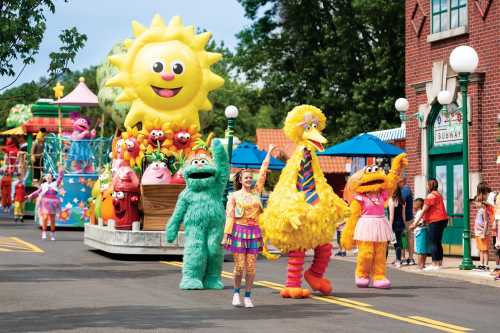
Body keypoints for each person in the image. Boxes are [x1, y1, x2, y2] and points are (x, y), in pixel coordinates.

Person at [222, 144, 275, 308]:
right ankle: (236, 293)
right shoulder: (234, 196)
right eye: (246, 178)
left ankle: (248, 296)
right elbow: (230, 216)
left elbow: (263, 172)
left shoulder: (256, 192)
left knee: (251, 268)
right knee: (239, 267)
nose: (249, 179)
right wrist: (226, 235)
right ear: (240, 180)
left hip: (254, 233)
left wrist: (270, 152)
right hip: (238, 231)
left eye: (250, 177)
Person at [26, 165, 63, 240]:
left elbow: (61, 176)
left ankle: (52, 233)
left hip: (53, 203)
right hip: (45, 204)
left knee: (52, 219)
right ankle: (44, 232)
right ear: (45, 178)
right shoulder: (43, 185)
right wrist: (30, 196)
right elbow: (37, 192)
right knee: (45, 218)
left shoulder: (55, 184)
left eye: (50, 177)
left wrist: (60, 168)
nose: (49, 178)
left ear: (52, 178)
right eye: (47, 177)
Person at [420, 179, 448, 271]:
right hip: (442, 220)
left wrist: (415, 223)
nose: (426, 187)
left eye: (427, 185)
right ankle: (439, 263)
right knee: (438, 242)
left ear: (430, 186)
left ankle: (434, 263)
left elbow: (424, 210)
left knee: (433, 242)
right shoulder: (438, 195)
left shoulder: (431, 196)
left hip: (435, 221)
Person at [474, 182, 493, 270]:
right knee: (481, 249)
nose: (475, 204)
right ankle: (481, 264)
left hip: (483, 233)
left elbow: (486, 222)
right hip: (478, 232)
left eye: (477, 202)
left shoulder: (484, 210)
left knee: (485, 250)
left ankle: (486, 265)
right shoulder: (480, 210)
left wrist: (484, 233)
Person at [399, 177, 416, 265]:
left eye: (398, 181)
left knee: (405, 237)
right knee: (407, 237)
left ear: (403, 181)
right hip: (407, 217)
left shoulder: (405, 190)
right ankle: (408, 258)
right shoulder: (404, 189)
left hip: (406, 218)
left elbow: (402, 204)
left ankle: (405, 257)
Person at [389, 186, 406, 268]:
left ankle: (398, 261)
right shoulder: (402, 201)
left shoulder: (391, 201)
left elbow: (391, 217)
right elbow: (403, 216)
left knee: (395, 243)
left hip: (394, 224)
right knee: (399, 242)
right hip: (401, 224)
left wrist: (389, 227)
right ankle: (398, 260)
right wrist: (405, 225)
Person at [409, 198, 428, 270]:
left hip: (420, 232)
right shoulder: (419, 212)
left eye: (414, 204)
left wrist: (413, 226)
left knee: (420, 250)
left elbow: (421, 222)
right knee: (422, 250)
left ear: (418, 205)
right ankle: (422, 265)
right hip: (420, 232)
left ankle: (420, 265)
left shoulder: (420, 212)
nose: (413, 206)